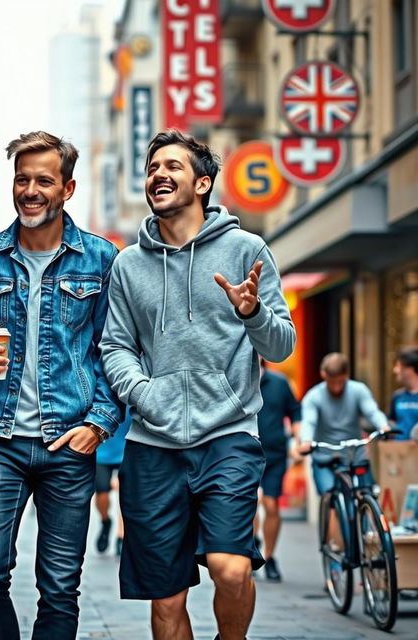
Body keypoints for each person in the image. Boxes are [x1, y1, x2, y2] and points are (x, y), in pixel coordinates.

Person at [100, 130, 295, 640]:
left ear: (203, 183)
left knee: (231, 569)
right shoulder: (128, 263)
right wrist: (146, 396)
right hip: (151, 446)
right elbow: (115, 346)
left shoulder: (246, 249)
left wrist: (251, 313)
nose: (158, 175)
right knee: (165, 599)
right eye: (152, 168)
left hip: (228, 434)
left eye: (173, 167)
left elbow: (281, 347)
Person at [0, 130, 123, 640]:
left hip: (70, 442)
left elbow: (119, 350)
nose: (31, 190)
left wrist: (99, 425)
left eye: (44, 180)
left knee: (60, 585)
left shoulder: (103, 261)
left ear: (68, 188)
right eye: (22, 179)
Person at [298, 353, 389, 495]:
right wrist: (306, 441)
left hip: (354, 454)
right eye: (331, 382)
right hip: (325, 457)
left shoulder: (358, 390)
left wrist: (383, 426)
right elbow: (309, 422)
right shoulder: (313, 397)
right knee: (330, 498)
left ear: (347, 375)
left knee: (367, 494)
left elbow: (372, 412)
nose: (336, 387)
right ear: (323, 375)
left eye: (341, 382)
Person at [253, 359, 301, 582]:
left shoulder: (279, 383)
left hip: (275, 454)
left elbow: (294, 411)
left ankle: (270, 557)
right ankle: (252, 544)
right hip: (246, 453)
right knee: (249, 503)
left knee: (271, 504)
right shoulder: (238, 377)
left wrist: (298, 439)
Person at [95, 408, 131, 556]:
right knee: (101, 492)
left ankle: (121, 536)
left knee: (125, 494)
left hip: (127, 450)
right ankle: (105, 522)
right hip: (101, 452)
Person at [389, 347, 418, 441]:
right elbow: (392, 420)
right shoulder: (398, 396)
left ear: (410, 369)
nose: (395, 370)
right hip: (399, 451)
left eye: (398, 366)